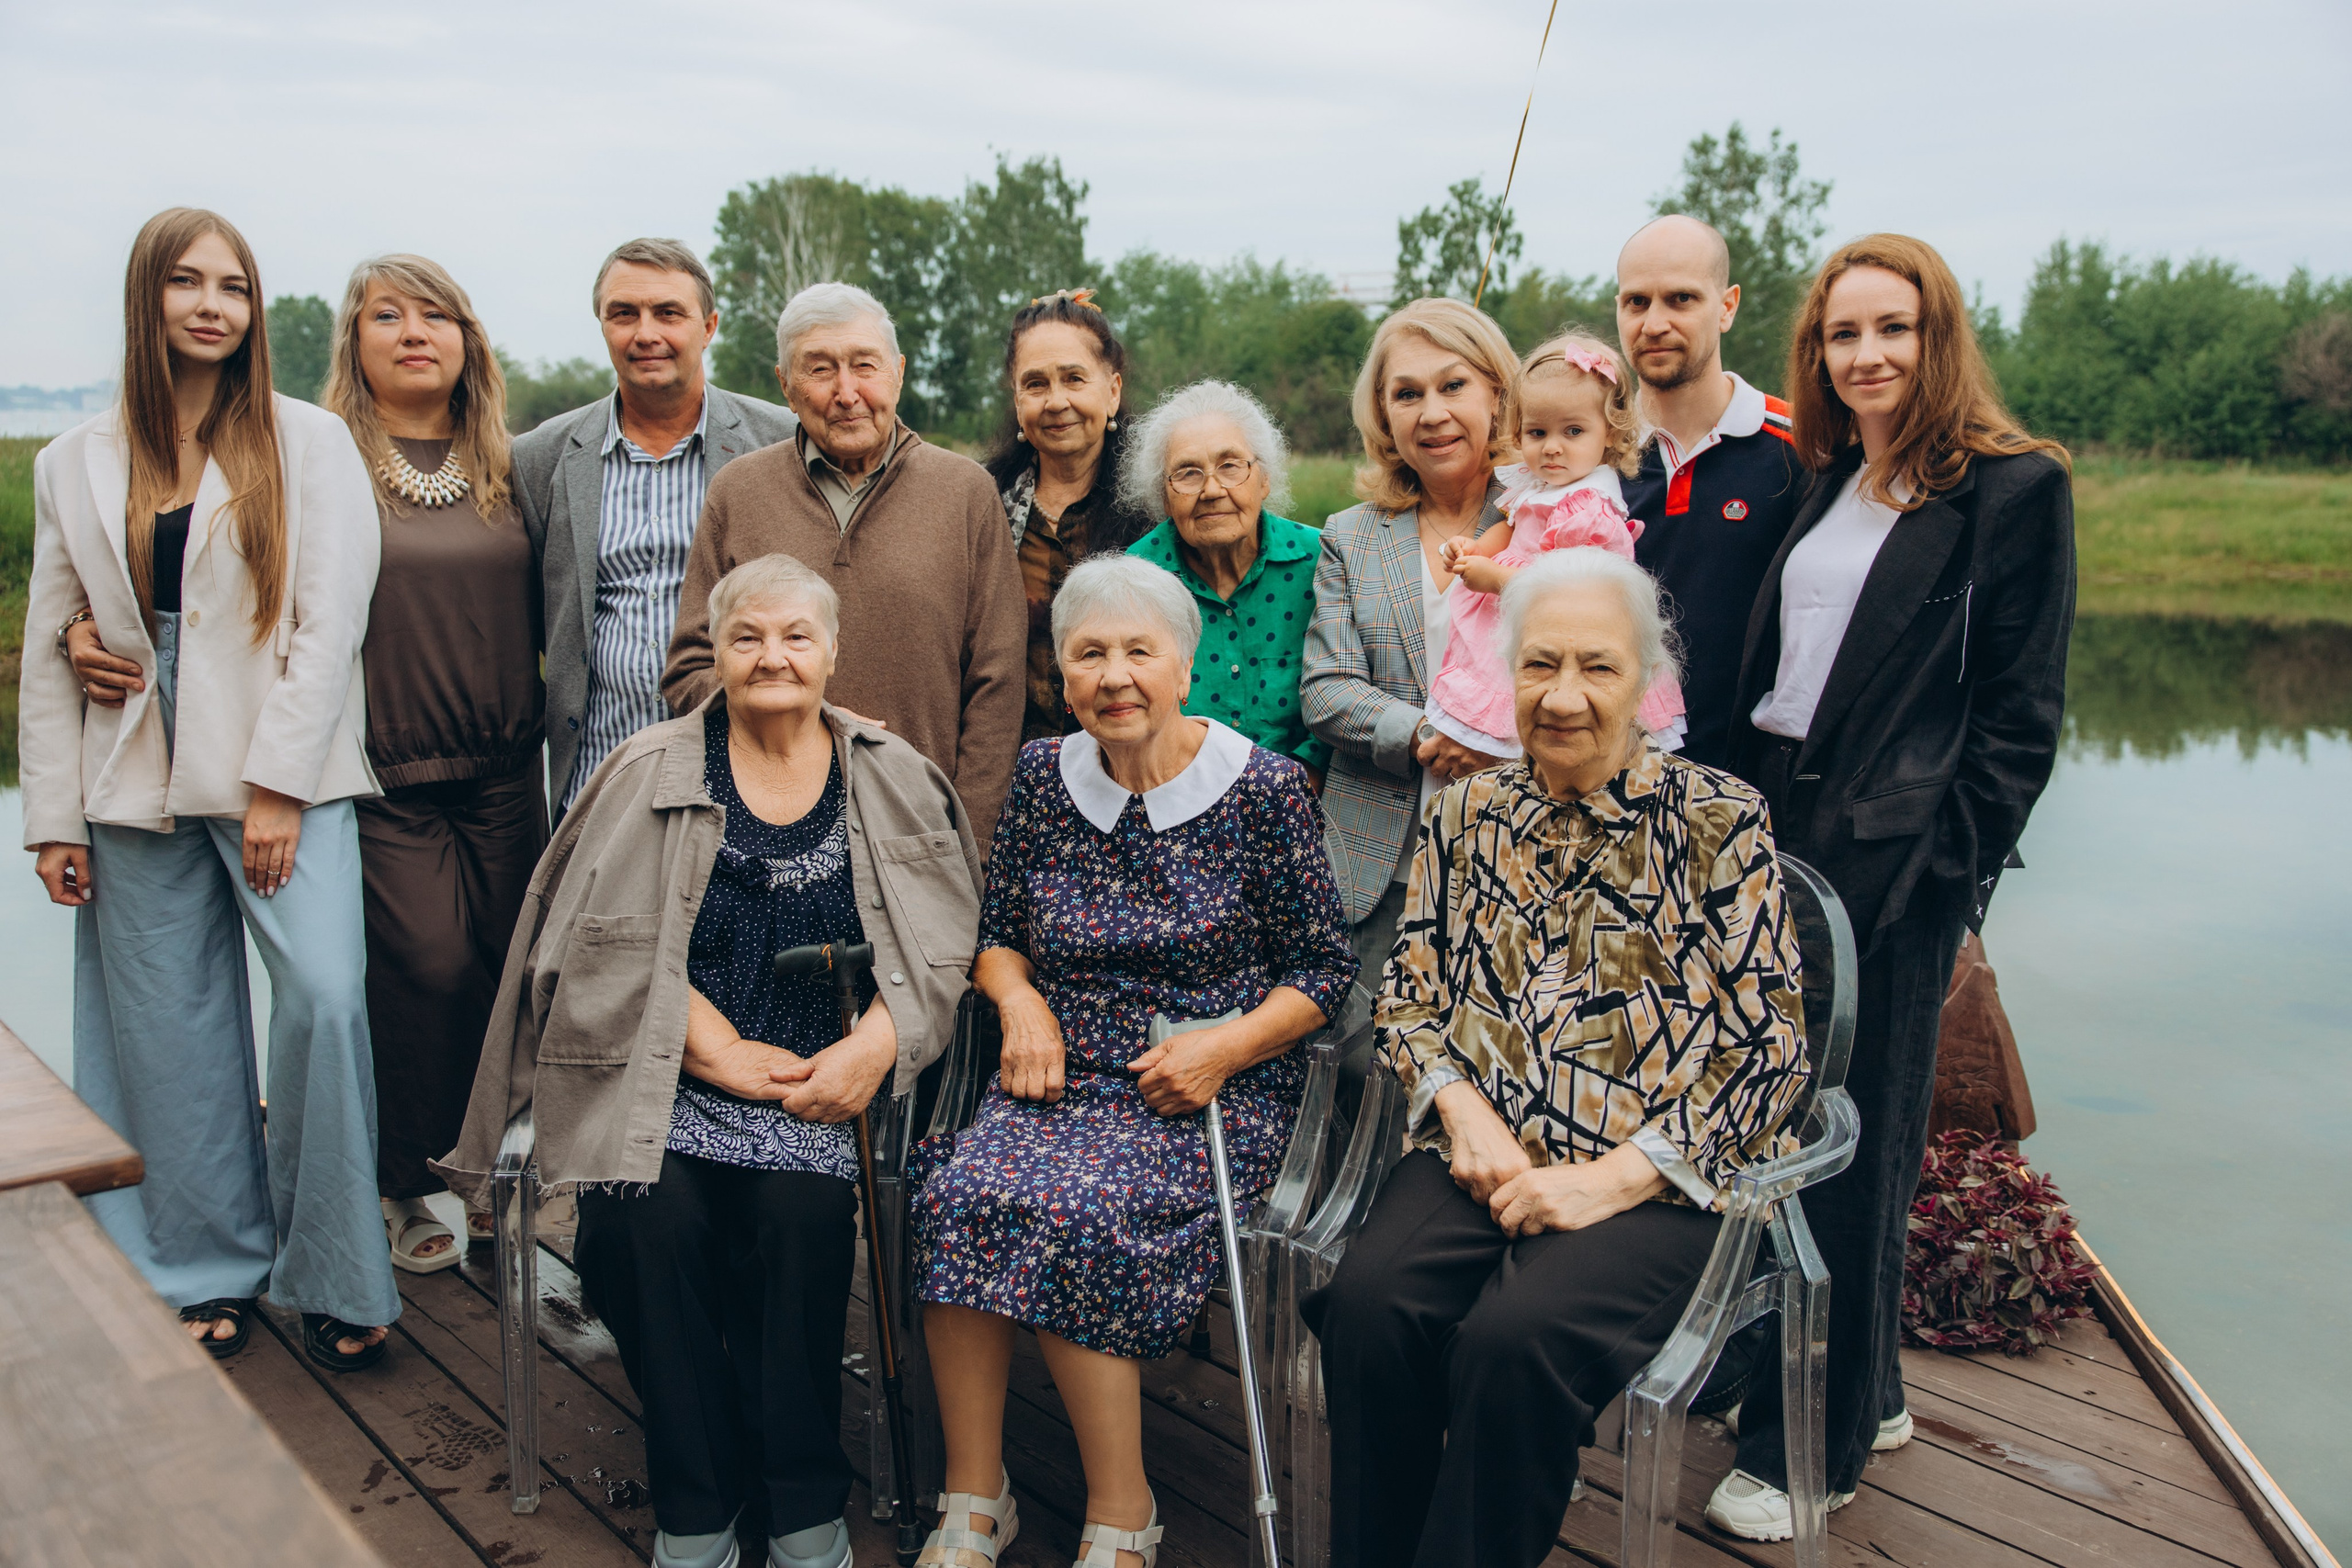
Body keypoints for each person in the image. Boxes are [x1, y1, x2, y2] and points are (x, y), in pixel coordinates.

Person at [435, 553, 982, 1568]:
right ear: (715, 652)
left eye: (795, 637)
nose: (772, 657)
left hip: (818, 1089)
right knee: (640, 1230)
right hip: (662, 1080)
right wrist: (719, 1049)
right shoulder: (652, 769)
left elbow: (941, 943)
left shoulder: (890, 773)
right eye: (747, 637)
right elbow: (597, 937)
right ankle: (696, 1497)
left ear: (832, 651)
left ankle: (801, 1494)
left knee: (798, 1224)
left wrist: (871, 1048)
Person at [1302, 547, 1811, 1568]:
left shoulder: (1719, 820)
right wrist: (1466, 1115)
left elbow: (1772, 1045)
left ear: (1646, 681)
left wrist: (1607, 1183)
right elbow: (1408, 995)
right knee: (1368, 1309)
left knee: (1511, 1345)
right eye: (1539, 666)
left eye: (1596, 667)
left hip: (1656, 1181)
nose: (1564, 697)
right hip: (1483, 1155)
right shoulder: (1465, 813)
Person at [1704, 234, 2075, 1539]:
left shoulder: (2012, 491)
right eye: (1842, 334)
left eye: (1892, 329)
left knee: (1852, 1144)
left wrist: (1950, 879)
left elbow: (2021, 718)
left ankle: (1817, 1443)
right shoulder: (1826, 481)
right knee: (1772, 1104)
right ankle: (1865, 1382)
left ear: (1938, 339)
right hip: (1780, 815)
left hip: (1896, 847)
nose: (1865, 355)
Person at [910, 555, 1355, 1568]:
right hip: (1061, 1072)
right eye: (1088, 654)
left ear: (1184, 669)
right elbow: (997, 933)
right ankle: (975, 1494)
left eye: (1137, 651)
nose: (1113, 675)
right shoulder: (1040, 774)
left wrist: (1226, 1046)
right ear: (1061, 679)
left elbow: (1324, 971)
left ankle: (1123, 1509)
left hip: (1205, 1086)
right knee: (960, 1191)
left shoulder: (1264, 790)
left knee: (1079, 1208)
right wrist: (1017, 1001)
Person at [21, 208, 395, 1371]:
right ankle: (205, 1267)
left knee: (326, 999)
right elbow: (48, 645)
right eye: (185, 283)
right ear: (149, 299)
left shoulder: (309, 441)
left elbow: (329, 622)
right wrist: (50, 821)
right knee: (168, 1031)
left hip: (276, 756)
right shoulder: (68, 458)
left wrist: (277, 786)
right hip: (129, 763)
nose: (210, 306)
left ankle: (335, 1269)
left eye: (231, 286)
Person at [662, 282, 1026, 848]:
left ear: (899, 372)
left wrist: (967, 840)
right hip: (759, 837)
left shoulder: (966, 494)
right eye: (820, 369)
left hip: (920, 829)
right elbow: (688, 668)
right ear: (785, 385)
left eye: (865, 366)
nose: (847, 392)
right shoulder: (738, 492)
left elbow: (998, 688)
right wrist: (810, 718)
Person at [511, 237, 797, 816]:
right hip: (598, 777)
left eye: (669, 313)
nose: (646, 333)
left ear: (708, 326)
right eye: (624, 314)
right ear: (602, 325)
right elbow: (541, 620)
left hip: (743, 772)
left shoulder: (781, 441)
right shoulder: (541, 456)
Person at [1302, 298, 1518, 983]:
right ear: (1384, 417)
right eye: (1407, 394)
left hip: (1520, 852)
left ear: (1497, 392)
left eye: (1453, 385)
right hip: (1379, 868)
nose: (1431, 412)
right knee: (1368, 1076)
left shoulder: (1550, 513)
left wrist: (1496, 745)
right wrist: (1429, 733)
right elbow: (1326, 690)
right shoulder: (1351, 533)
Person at [1425, 331, 1686, 759]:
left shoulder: (1590, 510)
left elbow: (1567, 593)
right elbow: (1509, 528)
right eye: (1537, 432)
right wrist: (1474, 550)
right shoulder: (1537, 486)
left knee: (1532, 700)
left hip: (1555, 629)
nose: (1552, 447)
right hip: (1519, 619)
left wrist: (1496, 579)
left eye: (1573, 431)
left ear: (1610, 435)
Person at [1617, 215, 1809, 768]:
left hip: (1757, 795)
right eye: (1636, 302)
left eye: (1680, 299)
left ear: (1726, 306)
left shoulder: (1806, 449)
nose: (1654, 323)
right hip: (1609, 790)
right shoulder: (1589, 459)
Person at [1121, 379, 1329, 778]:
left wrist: (1294, 790)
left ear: (1264, 479)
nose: (1212, 490)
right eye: (1188, 473)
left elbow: (1346, 689)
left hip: (1308, 801)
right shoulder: (1137, 578)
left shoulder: (1321, 560)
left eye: (1230, 466)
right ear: (1164, 497)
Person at [984, 288, 1158, 742]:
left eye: (1074, 379)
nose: (1056, 401)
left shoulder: (1160, 508)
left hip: (1131, 761)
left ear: (1113, 390)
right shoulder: (982, 505)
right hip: (1010, 769)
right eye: (1035, 383)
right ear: (1017, 400)